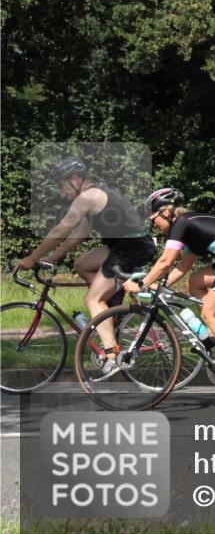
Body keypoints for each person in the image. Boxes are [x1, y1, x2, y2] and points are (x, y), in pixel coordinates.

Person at [16, 157, 156, 377]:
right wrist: (52, 259)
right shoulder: (96, 197)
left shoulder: (88, 197)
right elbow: (75, 238)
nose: (62, 192)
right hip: (124, 245)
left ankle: (111, 356)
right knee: (81, 264)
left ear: (75, 179)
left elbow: (61, 231)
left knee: (92, 299)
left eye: (62, 185)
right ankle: (111, 306)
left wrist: (32, 258)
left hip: (129, 248)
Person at [122, 188, 215, 387]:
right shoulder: (189, 228)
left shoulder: (181, 224)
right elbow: (184, 265)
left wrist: (141, 285)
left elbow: (166, 261)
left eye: (153, 218)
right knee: (195, 281)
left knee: (210, 313)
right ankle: (214, 336)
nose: (153, 224)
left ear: (166, 211)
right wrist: (157, 286)